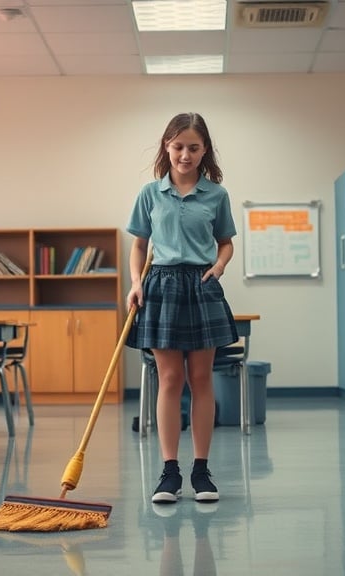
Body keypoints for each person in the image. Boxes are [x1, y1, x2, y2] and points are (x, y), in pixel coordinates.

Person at [126, 112, 238, 505]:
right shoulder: (149, 193)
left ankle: (201, 471)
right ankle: (169, 473)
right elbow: (139, 245)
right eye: (178, 147)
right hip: (161, 286)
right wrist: (136, 283)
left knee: (201, 378)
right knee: (170, 379)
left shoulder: (217, 195)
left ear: (205, 149)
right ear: (166, 148)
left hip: (202, 285)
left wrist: (220, 265)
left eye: (193, 147)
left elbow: (226, 242)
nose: (185, 155)